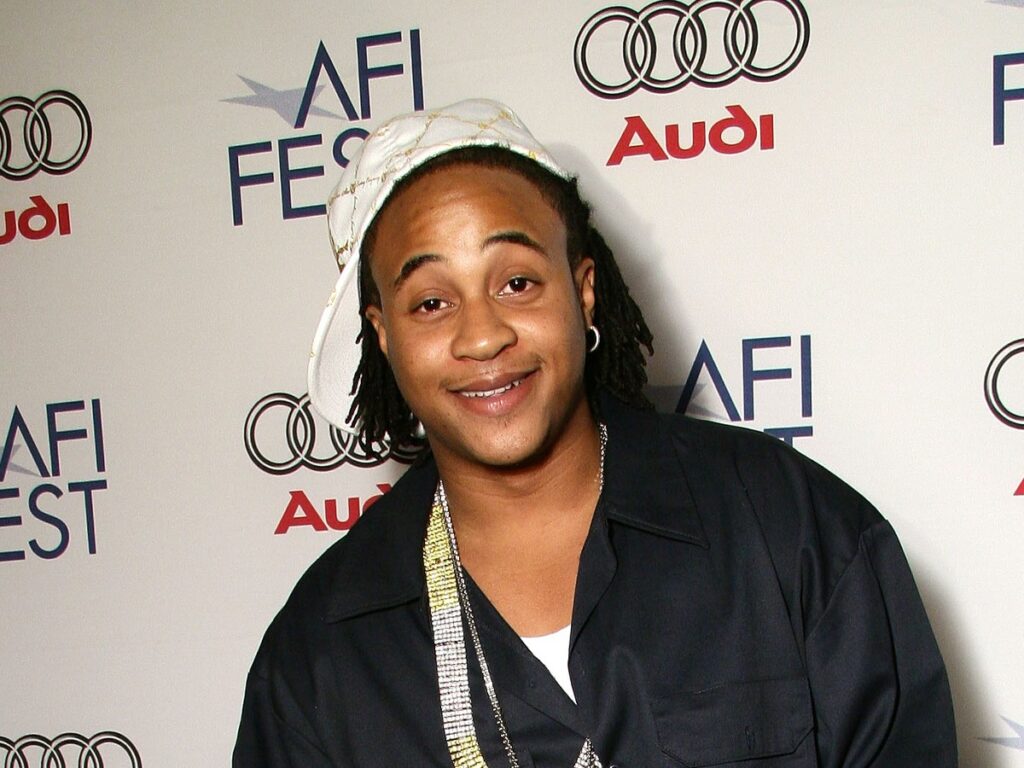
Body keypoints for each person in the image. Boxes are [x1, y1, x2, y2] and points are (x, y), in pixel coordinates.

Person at [233, 99, 957, 767]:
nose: (482, 336)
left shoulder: (786, 528)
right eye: (430, 301)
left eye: (516, 282)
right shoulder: (317, 656)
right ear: (383, 335)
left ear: (582, 292)